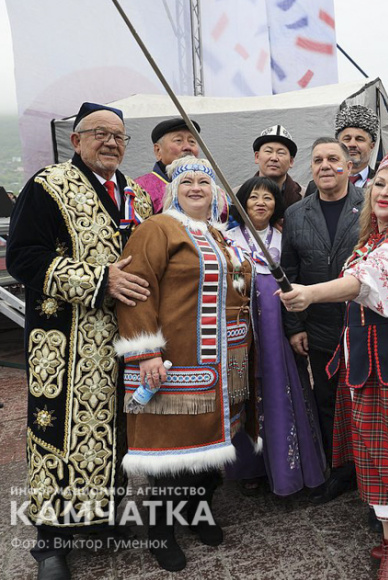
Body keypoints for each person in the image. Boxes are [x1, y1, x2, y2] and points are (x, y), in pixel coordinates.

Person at [280, 146, 388, 580]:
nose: (384, 193)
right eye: (380, 185)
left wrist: (311, 293)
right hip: (369, 355)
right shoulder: (373, 238)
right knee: (379, 447)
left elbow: (365, 284)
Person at [6, 102, 153, 580]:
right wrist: (97, 280)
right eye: (99, 134)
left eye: (118, 135)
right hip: (65, 340)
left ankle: (104, 517)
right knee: (56, 433)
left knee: (114, 432)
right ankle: (50, 542)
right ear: (76, 140)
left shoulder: (137, 195)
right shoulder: (48, 186)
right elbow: (23, 257)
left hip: (123, 339)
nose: (110, 142)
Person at [114, 156, 255, 571]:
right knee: (168, 452)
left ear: (215, 192)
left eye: (204, 182)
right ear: (173, 191)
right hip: (174, 358)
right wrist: (145, 353)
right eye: (187, 181)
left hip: (226, 363)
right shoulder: (157, 229)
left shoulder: (221, 233)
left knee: (210, 448)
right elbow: (137, 291)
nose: (197, 187)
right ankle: (161, 530)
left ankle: (198, 512)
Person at [224, 176, 326, 496]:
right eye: (253, 196)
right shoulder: (225, 240)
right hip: (242, 332)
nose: (260, 203)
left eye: (268, 198)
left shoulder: (285, 240)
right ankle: (248, 469)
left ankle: (288, 470)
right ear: (241, 201)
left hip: (278, 331)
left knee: (283, 392)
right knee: (246, 393)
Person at [281, 137, 362, 505]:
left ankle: (368, 467)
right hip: (320, 327)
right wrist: (295, 327)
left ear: (349, 165)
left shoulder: (370, 206)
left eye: (333, 159)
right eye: (318, 160)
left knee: (364, 398)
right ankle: (339, 470)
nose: (325, 165)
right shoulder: (297, 213)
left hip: (363, 323)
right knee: (326, 398)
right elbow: (288, 273)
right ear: (310, 168)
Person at [134, 117, 201, 213]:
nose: (187, 147)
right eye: (178, 140)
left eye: (192, 141)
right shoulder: (140, 189)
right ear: (158, 151)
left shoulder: (207, 186)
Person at [251, 124, 304, 210]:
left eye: (281, 153)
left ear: (291, 161)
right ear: (257, 157)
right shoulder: (236, 197)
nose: (274, 158)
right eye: (268, 151)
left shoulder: (306, 197)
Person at [336, 104, 379, 188]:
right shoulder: (319, 185)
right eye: (347, 139)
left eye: (359, 139)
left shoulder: (381, 184)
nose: (352, 144)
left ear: (372, 145)